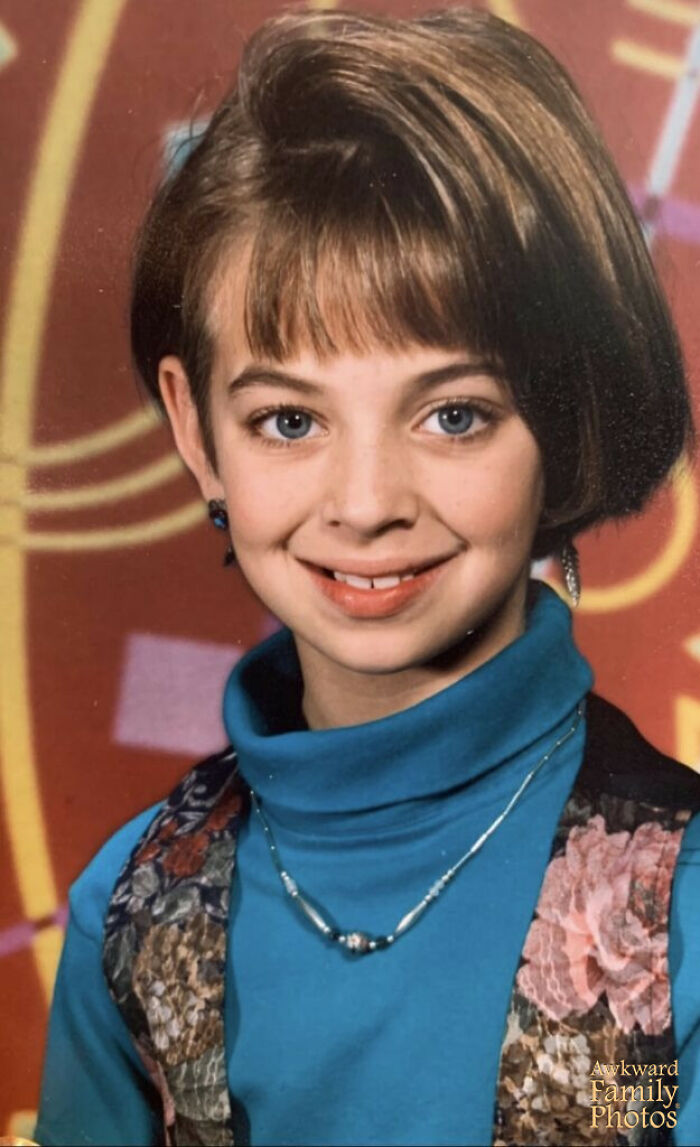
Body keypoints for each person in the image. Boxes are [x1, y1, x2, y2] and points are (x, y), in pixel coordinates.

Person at [35, 7, 700, 1146]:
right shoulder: (128, 915)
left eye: (453, 414)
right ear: (198, 433)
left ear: (560, 414)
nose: (365, 501)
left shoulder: (682, 914)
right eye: (288, 418)